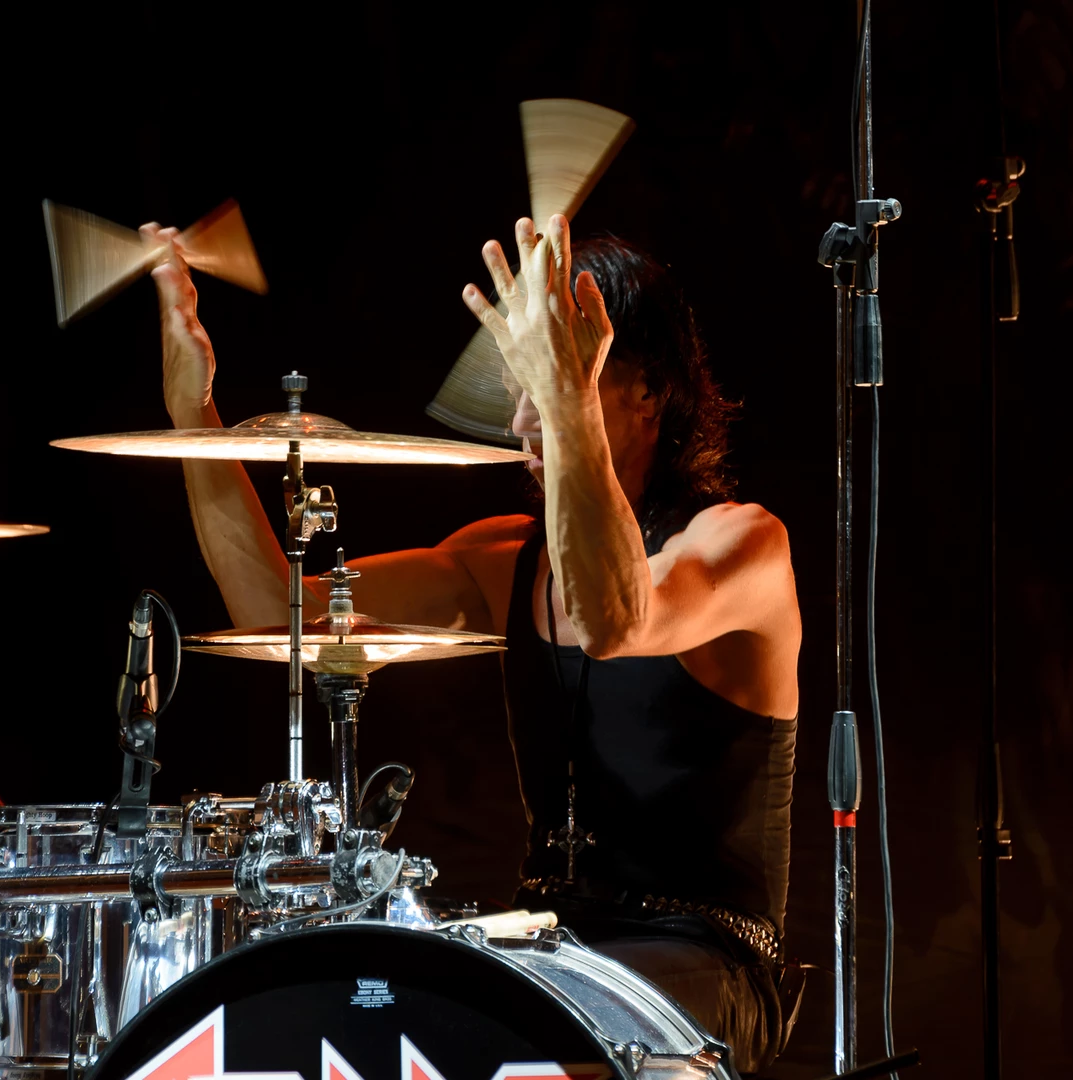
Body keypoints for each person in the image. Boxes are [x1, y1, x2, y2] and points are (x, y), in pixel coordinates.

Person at [140, 212, 803, 1073]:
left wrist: (568, 407)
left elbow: (613, 619)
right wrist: (191, 411)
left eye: (551, 383)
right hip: (555, 941)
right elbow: (278, 611)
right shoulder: (505, 558)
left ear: (647, 392)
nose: (524, 419)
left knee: (516, 1013)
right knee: (376, 997)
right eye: (520, 388)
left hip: (710, 959)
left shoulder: (742, 545)